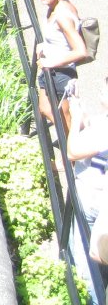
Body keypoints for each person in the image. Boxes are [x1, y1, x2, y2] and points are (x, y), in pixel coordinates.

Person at [66, 81, 108, 303]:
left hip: (94, 198)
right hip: (96, 197)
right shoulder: (103, 121)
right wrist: (79, 109)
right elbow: (93, 128)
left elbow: (73, 152)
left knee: (85, 270)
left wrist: (73, 123)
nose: (102, 88)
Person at [34, 0, 89, 137]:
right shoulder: (55, 4)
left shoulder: (62, 15)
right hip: (49, 69)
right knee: (44, 108)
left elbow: (81, 51)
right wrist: (44, 45)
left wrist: (52, 62)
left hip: (62, 72)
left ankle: (73, 157)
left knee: (66, 120)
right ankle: (74, 144)